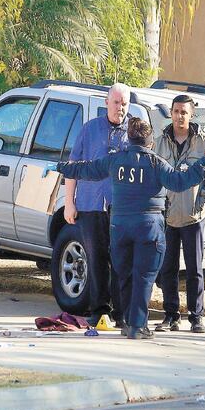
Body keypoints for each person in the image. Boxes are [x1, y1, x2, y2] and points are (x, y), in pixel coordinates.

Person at [49, 117, 205, 339]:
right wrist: (204, 163)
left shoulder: (114, 160)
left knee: (124, 275)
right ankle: (137, 325)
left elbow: (88, 169)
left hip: (120, 226)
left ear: (129, 140)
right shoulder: (156, 163)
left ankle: (127, 321)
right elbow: (180, 182)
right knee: (144, 277)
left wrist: (59, 166)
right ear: (150, 142)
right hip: (148, 227)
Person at [64, 83, 130, 328]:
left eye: (124, 103)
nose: (119, 108)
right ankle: (100, 310)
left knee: (121, 259)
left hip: (121, 207)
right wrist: (69, 203)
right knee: (96, 258)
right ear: (106, 102)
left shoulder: (133, 132)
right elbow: (72, 168)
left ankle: (122, 313)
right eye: (115, 103)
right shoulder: (89, 129)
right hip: (90, 204)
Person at [154, 94, 205, 333]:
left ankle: (196, 316)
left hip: (194, 217)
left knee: (194, 269)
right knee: (167, 268)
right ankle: (171, 315)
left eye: (184, 112)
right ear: (170, 113)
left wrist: (201, 205)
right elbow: (154, 176)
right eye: (176, 111)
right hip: (167, 216)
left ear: (192, 115)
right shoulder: (159, 141)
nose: (179, 116)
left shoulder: (204, 142)